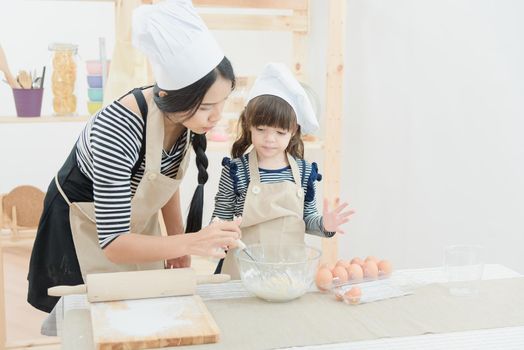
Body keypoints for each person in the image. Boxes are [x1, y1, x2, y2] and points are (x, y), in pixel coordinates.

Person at [27, 0, 240, 313]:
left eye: (222, 103)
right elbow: (113, 243)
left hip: (133, 225)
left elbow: (164, 182)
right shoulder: (118, 128)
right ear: (169, 97)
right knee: (94, 318)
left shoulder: (183, 118)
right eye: (207, 107)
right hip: (82, 227)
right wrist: (190, 242)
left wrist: (178, 241)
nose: (215, 117)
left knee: (145, 309)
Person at [212, 62, 355, 278]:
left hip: (289, 273)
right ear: (249, 125)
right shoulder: (235, 170)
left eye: (280, 132)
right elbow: (220, 220)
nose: (270, 139)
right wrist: (218, 239)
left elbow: (308, 219)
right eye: (261, 129)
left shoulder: (305, 172)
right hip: (244, 272)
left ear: (293, 131)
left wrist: (326, 224)